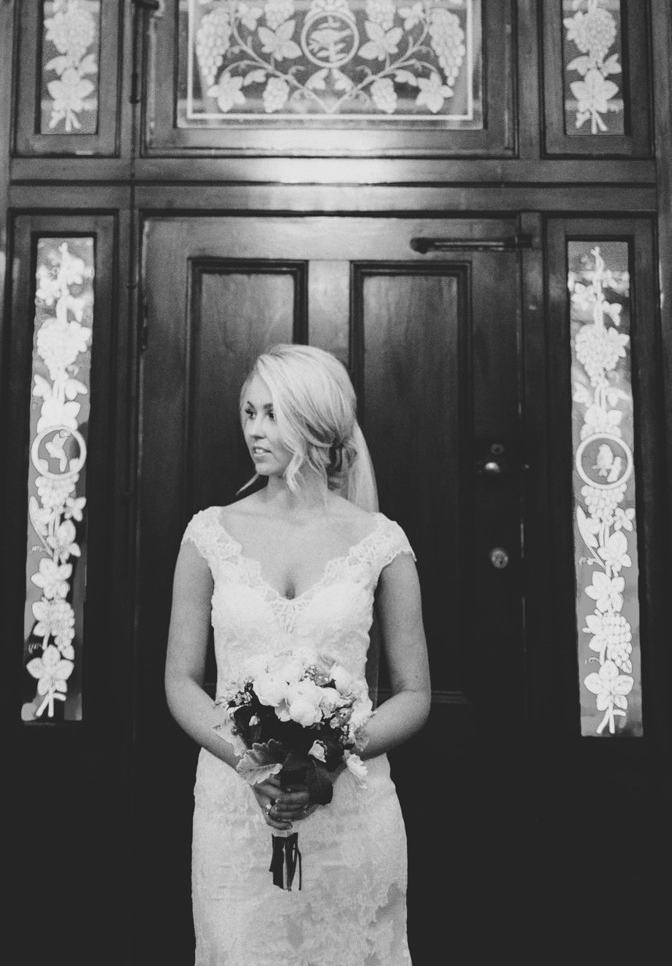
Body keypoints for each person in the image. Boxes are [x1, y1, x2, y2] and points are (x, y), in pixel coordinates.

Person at [165, 343, 431, 965]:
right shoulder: (209, 534)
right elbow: (180, 679)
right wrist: (249, 763)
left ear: (314, 422)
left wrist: (330, 759)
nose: (254, 430)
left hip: (353, 813)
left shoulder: (381, 542)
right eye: (249, 412)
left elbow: (416, 692)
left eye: (272, 414)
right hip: (235, 808)